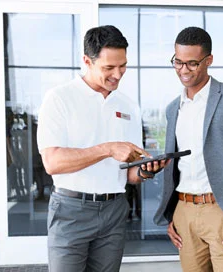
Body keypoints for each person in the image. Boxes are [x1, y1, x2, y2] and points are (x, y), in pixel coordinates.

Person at [37, 25, 168, 272]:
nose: (118, 75)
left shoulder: (128, 106)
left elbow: (129, 173)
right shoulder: (59, 99)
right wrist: (107, 149)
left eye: (123, 66)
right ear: (87, 61)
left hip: (114, 210)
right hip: (71, 210)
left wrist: (147, 170)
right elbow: (52, 162)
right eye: (109, 68)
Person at [153, 27, 223, 272]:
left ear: (209, 60)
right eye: (178, 62)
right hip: (184, 212)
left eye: (192, 63)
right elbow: (176, 166)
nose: (183, 70)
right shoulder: (173, 108)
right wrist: (172, 213)